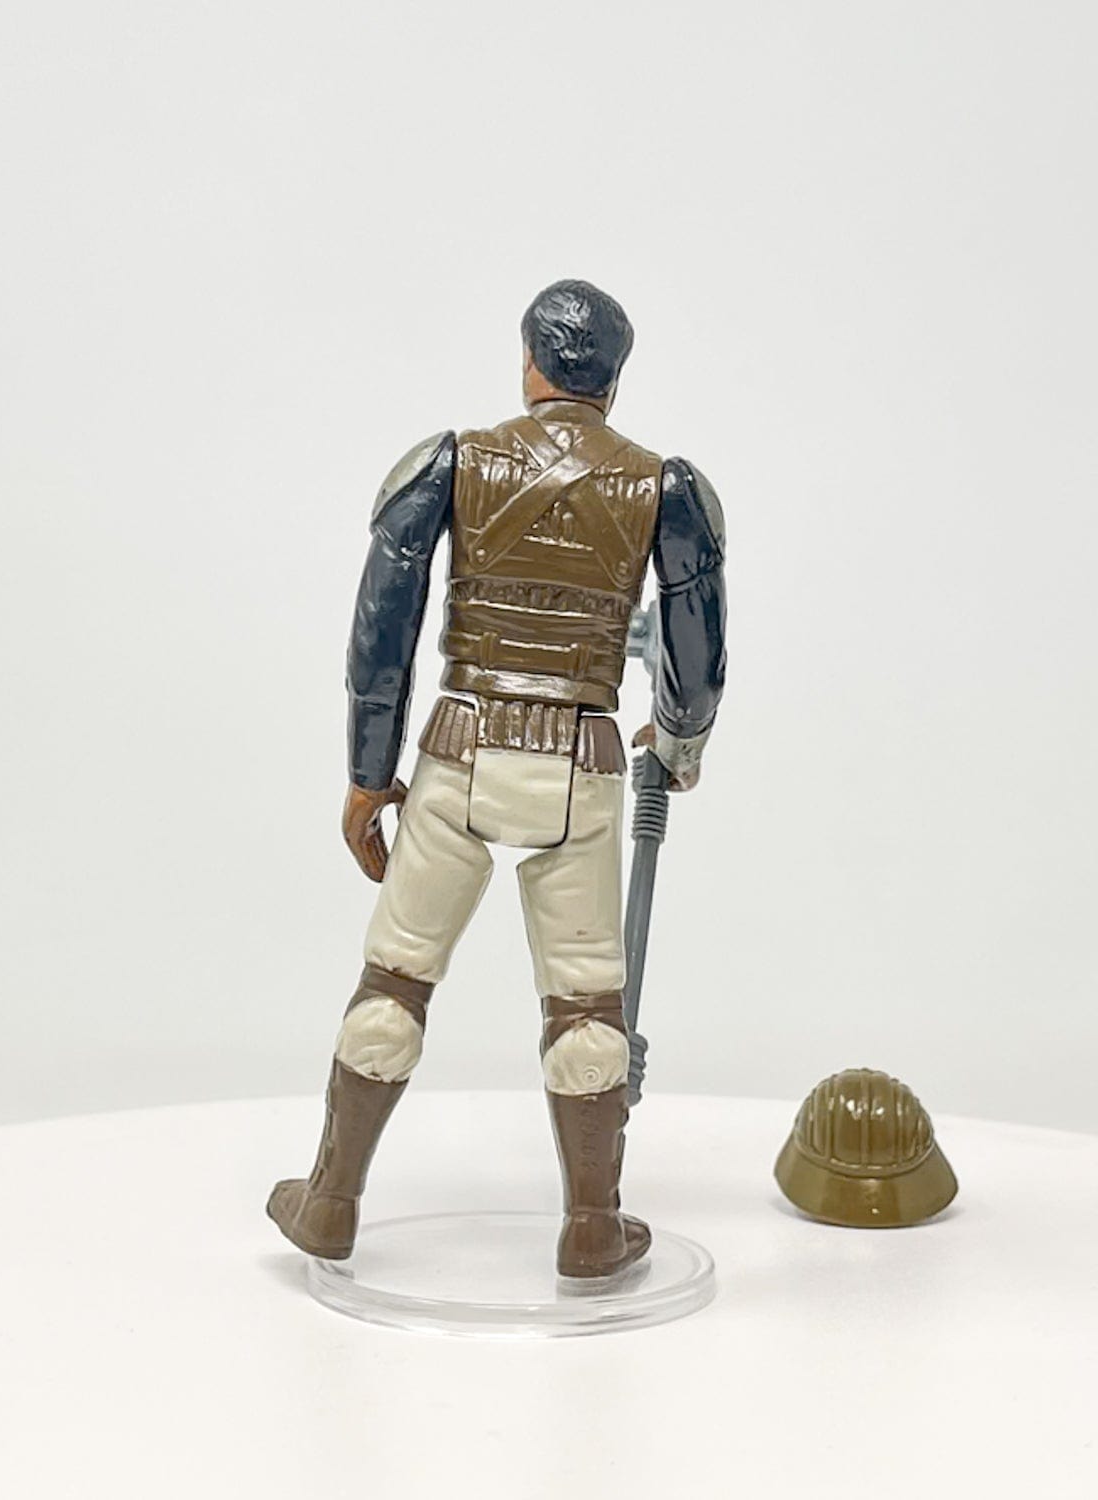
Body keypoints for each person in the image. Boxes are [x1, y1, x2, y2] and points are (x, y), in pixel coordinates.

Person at [267, 279, 727, 1277]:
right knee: (588, 1008)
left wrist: (367, 775)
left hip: (461, 747)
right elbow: (696, 656)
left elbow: (382, 631)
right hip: (583, 763)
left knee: (396, 980)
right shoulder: (667, 488)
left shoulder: (452, 462)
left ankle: (332, 1201)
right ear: (614, 380)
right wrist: (680, 745)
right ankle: (592, 1224)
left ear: (528, 364)